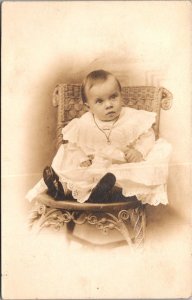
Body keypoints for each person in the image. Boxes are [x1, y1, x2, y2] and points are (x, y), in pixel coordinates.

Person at [26, 70, 171, 205]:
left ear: (121, 95)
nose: (109, 105)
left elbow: (147, 135)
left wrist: (139, 150)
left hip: (122, 165)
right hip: (93, 166)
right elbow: (74, 145)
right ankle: (60, 189)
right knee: (67, 157)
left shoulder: (132, 117)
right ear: (88, 106)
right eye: (100, 101)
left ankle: (104, 192)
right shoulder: (84, 122)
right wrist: (82, 158)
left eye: (113, 97)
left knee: (130, 172)